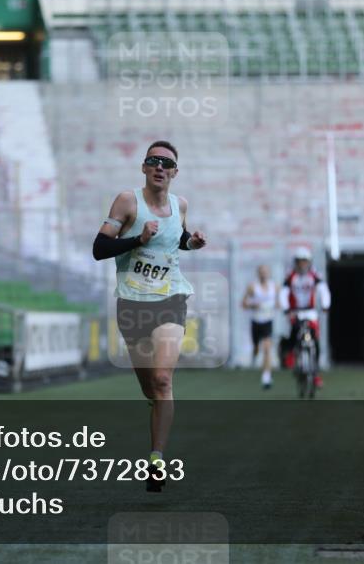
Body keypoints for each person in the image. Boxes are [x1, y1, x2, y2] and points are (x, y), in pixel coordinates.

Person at [92, 140, 206, 492]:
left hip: (170, 298)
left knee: (161, 380)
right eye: (153, 161)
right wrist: (136, 240)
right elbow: (99, 249)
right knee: (149, 389)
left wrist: (192, 243)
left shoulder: (180, 205)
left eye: (166, 163)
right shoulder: (128, 202)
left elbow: (176, 238)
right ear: (144, 168)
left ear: (174, 172)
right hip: (132, 303)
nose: (159, 167)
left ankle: (156, 460)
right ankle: (158, 417)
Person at [280, 247, 331, 389]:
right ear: (295, 262)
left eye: (304, 261)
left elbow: (324, 290)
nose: (302, 265)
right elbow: (283, 293)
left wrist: (326, 305)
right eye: (299, 262)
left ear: (309, 262)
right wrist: (286, 309)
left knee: (315, 341)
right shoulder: (290, 276)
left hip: (311, 312)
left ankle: (315, 374)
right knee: (294, 333)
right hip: (295, 312)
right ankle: (290, 354)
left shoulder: (314, 275)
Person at [242, 265, 277, 389]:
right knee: (257, 347)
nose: (263, 274)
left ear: (269, 273)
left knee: (267, 348)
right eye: (261, 272)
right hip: (256, 321)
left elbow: (279, 303)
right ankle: (254, 354)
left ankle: (266, 377)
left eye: (265, 272)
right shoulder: (253, 287)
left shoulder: (274, 286)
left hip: (268, 321)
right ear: (258, 274)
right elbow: (243, 304)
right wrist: (252, 305)